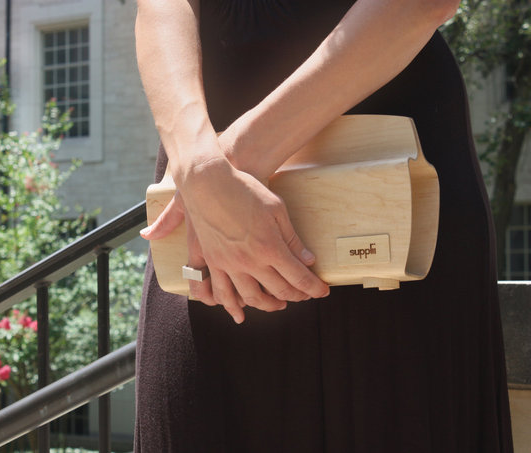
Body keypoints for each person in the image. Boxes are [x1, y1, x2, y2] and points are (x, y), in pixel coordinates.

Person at [134, 0, 514, 452]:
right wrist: (199, 166)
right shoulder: (203, 172)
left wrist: (229, 165)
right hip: (201, 173)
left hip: (382, 160)